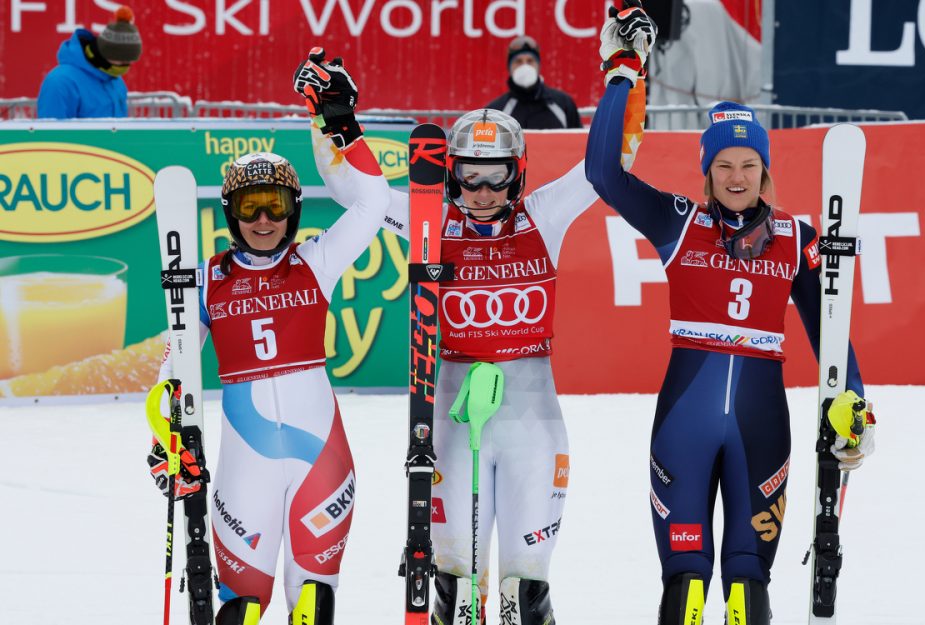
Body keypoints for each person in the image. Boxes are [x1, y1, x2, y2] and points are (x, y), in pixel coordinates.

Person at [303, 53, 645, 625]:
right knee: (454, 591)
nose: (482, 191)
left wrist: (629, 74)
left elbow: (614, 159)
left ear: (519, 172)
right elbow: (350, 191)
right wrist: (333, 119)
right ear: (450, 172)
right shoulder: (429, 219)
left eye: (496, 175)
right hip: (451, 423)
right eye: (468, 175)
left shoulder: (544, 216)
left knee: (525, 594)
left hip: (534, 423)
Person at [585, 6, 877, 624]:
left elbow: (828, 325)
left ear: (764, 169)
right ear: (706, 171)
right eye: (723, 165)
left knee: (748, 581)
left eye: (748, 164)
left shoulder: (797, 236)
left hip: (760, 425)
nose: (737, 176)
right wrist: (621, 70)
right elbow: (604, 173)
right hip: (684, 425)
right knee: (685, 580)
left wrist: (852, 396)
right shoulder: (677, 221)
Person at [147, 55, 390, 625]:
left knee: (314, 604)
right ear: (231, 214)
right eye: (250, 208)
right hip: (243, 468)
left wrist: (342, 125)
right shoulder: (206, 278)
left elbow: (375, 202)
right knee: (239, 611)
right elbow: (172, 364)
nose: (263, 220)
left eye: (275, 206)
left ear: (293, 210)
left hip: (321, 460)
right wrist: (163, 437)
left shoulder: (317, 261)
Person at [37, 6, 142, 119]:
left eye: (129, 62)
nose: (125, 67)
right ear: (107, 53)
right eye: (122, 61)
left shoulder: (115, 80)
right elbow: (51, 135)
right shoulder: (61, 82)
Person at [485, 35, 582, 130]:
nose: (524, 66)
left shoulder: (563, 103)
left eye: (530, 61)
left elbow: (579, 143)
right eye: (518, 61)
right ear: (509, 67)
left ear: (538, 65)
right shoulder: (496, 112)